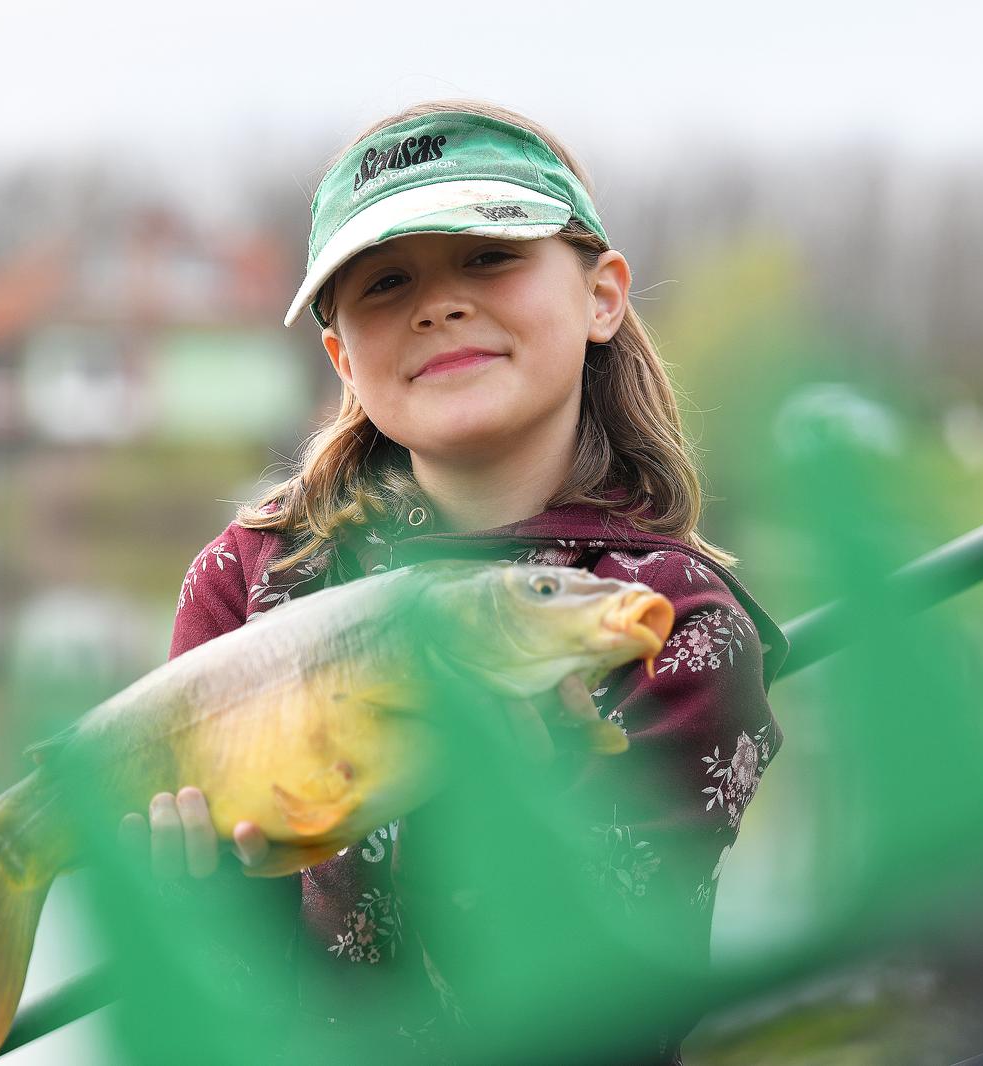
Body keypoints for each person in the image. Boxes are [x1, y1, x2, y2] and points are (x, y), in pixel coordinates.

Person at [118, 100, 789, 1064]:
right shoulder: (253, 578)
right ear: (345, 358)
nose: (438, 305)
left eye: (489, 256)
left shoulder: (666, 623)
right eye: (386, 281)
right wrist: (208, 903)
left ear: (602, 295)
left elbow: (617, 1010)